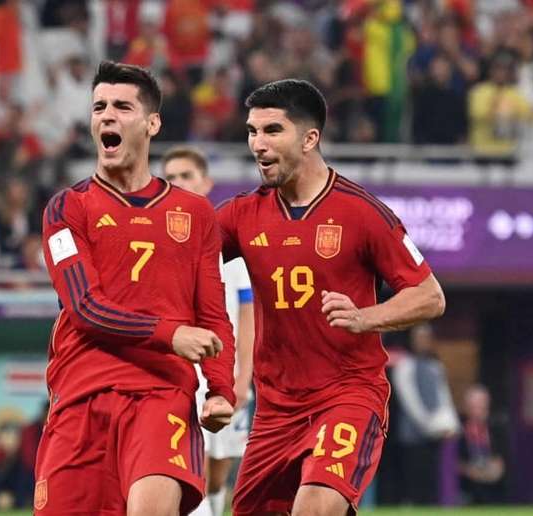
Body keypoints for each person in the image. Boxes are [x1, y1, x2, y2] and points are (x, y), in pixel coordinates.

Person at [216, 79, 446, 516]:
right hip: (275, 411)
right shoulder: (241, 214)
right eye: (252, 132)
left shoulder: (361, 212)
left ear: (310, 138)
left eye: (272, 131)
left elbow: (429, 295)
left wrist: (366, 317)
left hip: (347, 395)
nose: (257, 145)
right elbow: (179, 258)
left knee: (315, 506)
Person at [35, 60, 236, 516]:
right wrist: (171, 334)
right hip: (80, 396)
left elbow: (212, 314)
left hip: (161, 394)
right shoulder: (67, 208)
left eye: (122, 107)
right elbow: (85, 307)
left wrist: (220, 388)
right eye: (99, 106)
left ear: (152, 123)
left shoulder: (196, 214)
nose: (107, 115)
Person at [162, 146, 255, 516]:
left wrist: (243, 377)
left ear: (206, 183)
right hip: (181, 370)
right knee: (189, 467)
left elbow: (247, 313)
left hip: (224, 370)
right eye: (170, 177)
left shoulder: (226, 241)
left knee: (218, 474)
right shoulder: (160, 237)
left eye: (186, 175)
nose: (178, 183)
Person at [391, 323, 459, 504]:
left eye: (426, 338)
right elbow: (410, 402)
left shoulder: (435, 366)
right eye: (419, 338)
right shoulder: (405, 365)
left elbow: (444, 398)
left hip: (436, 432)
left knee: (433, 481)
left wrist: (450, 424)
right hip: (413, 435)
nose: (423, 342)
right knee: (415, 480)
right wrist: (429, 426)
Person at [457, 384, 506, 505]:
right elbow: (453, 462)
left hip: (494, 486)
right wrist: (469, 471)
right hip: (465, 487)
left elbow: (502, 460)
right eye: (473, 405)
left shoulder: (497, 427)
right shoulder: (457, 428)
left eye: (481, 404)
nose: (477, 409)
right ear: (466, 406)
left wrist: (493, 470)